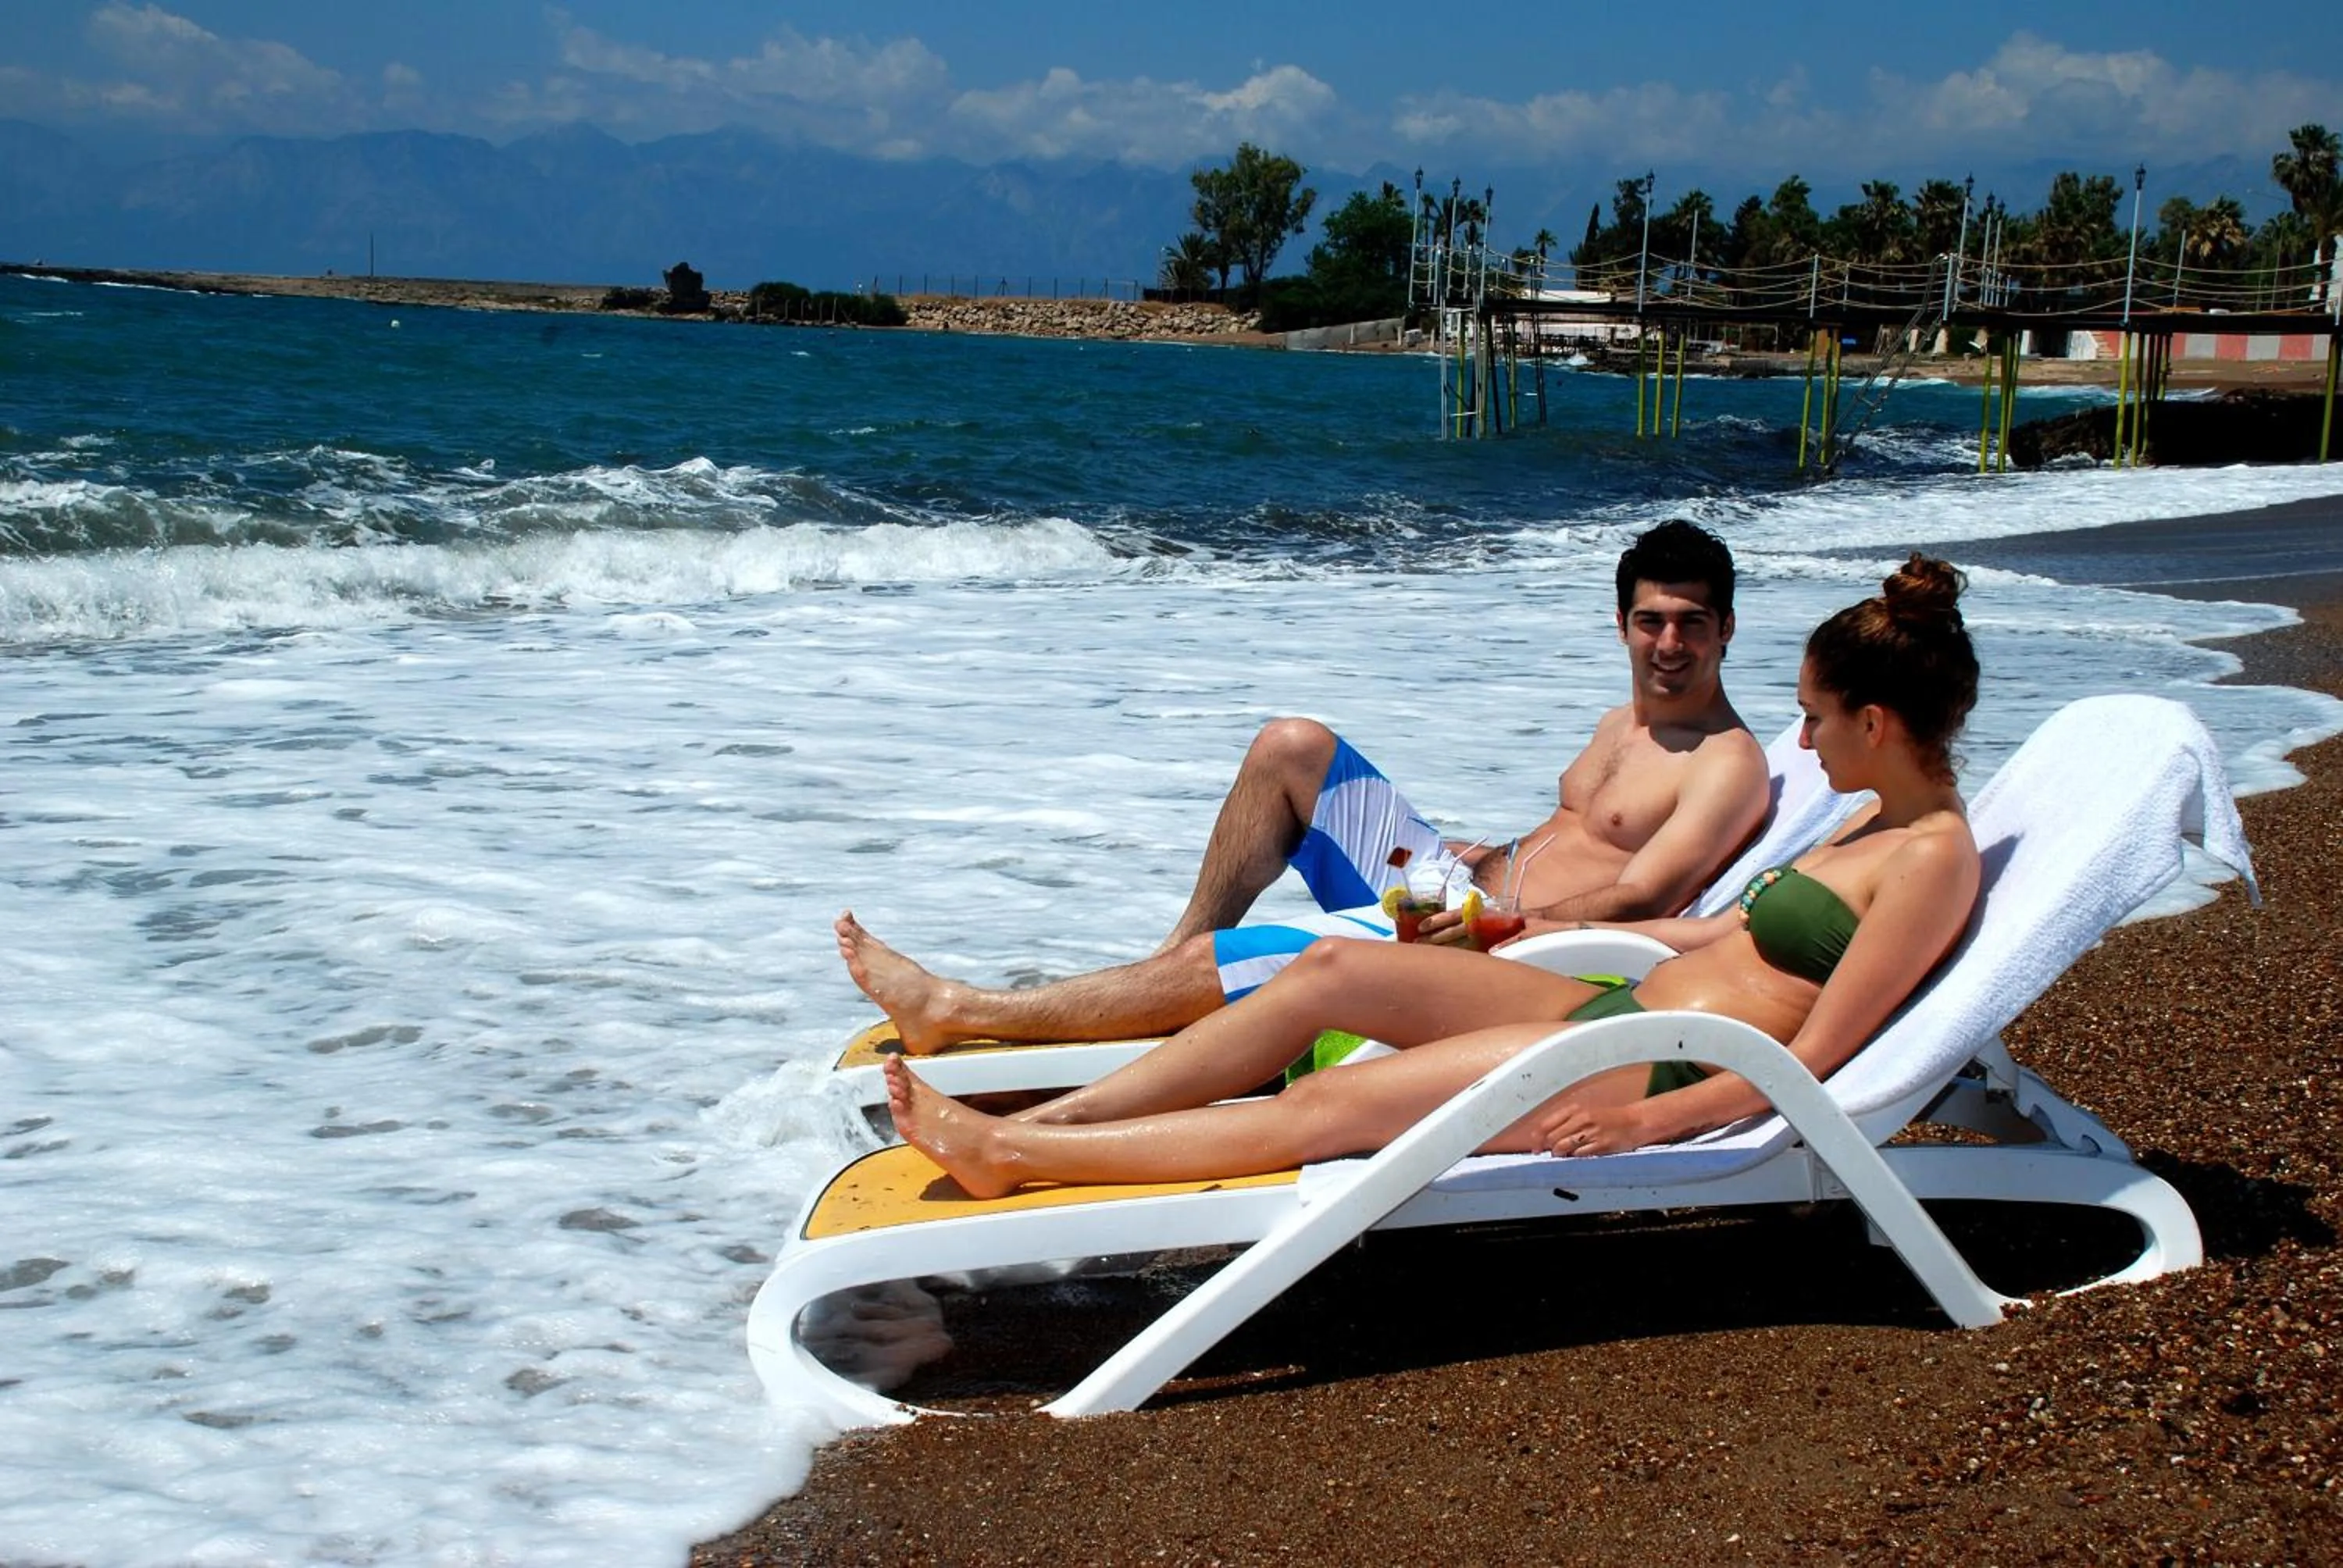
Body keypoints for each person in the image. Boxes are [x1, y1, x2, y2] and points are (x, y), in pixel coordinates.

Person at [884, 555, 1982, 1197]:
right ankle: (1070, 1115)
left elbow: (1820, 1056)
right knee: (1319, 972)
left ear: (1876, 723)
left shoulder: (1930, 864)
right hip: (1619, 997)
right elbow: (1726, 941)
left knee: (1333, 1105)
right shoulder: (1869, 825)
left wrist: (1654, 1123)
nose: (1804, 736)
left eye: (1818, 716)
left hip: (1646, 1066)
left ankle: (1018, 1156)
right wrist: (1528, 942)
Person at [838, 520, 1771, 1055]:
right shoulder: (1630, 721)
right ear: (1620, 625)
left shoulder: (1725, 761)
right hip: (1464, 890)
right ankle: (1176, 956)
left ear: (1727, 628)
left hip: (1503, 945)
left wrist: (1499, 920)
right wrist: (1473, 870)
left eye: (1692, 622)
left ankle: (956, 1009)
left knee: (1259, 954)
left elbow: (1643, 895)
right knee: (1293, 746)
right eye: (1651, 620)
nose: (1670, 643)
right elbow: (1570, 834)